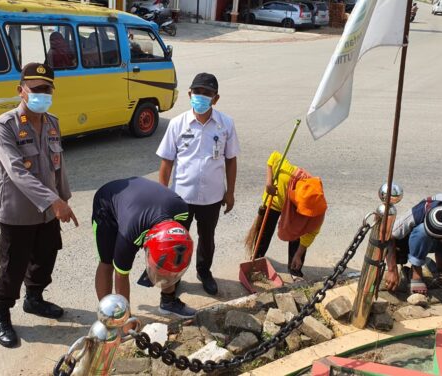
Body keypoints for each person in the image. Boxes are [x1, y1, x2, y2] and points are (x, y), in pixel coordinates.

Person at [0, 62, 78, 348]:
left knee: (45, 256)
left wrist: (64, 198)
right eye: (36, 89)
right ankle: (0, 314)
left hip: (49, 212)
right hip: (17, 212)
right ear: (21, 91)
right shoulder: (4, 126)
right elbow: (16, 171)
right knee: (12, 267)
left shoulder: (52, 122)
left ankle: (34, 299)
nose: (42, 94)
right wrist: (55, 202)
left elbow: (57, 165)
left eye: (47, 89)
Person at [157, 72, 240, 296]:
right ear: (189, 94)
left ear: (216, 98)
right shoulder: (177, 124)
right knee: (176, 240)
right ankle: (174, 277)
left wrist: (230, 192)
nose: (201, 97)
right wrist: (163, 196)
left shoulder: (225, 124)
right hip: (180, 197)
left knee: (207, 238)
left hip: (212, 197)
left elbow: (231, 160)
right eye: (197, 92)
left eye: (207, 93)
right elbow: (166, 162)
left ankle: (204, 272)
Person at [92, 177, 196, 318]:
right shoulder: (130, 235)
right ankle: (110, 315)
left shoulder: (182, 210)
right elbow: (121, 274)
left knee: (170, 257)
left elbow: (174, 248)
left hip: (138, 203)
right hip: (107, 202)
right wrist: (126, 321)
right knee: (107, 262)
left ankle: (168, 302)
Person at [251, 151, 326, 277]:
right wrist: (269, 182)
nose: (304, 217)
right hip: (274, 199)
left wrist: (298, 255)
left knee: (299, 230)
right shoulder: (286, 175)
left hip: (294, 205)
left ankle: (294, 268)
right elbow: (273, 156)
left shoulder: (317, 204)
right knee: (264, 233)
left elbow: (309, 234)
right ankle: (256, 261)